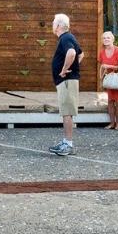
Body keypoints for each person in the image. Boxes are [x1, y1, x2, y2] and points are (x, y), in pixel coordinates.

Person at [49, 12, 80, 157]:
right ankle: (66, 142)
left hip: (67, 81)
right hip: (67, 81)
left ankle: (68, 145)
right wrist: (72, 66)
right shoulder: (68, 37)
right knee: (66, 112)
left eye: (53, 22)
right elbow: (81, 54)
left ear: (59, 25)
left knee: (67, 112)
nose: (52, 25)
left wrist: (64, 70)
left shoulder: (65, 38)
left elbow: (72, 53)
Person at [98, 30, 118, 130]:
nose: (106, 39)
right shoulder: (102, 52)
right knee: (110, 101)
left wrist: (110, 66)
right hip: (110, 79)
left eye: (108, 38)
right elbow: (102, 66)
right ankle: (112, 123)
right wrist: (101, 79)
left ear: (112, 39)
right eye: (104, 38)